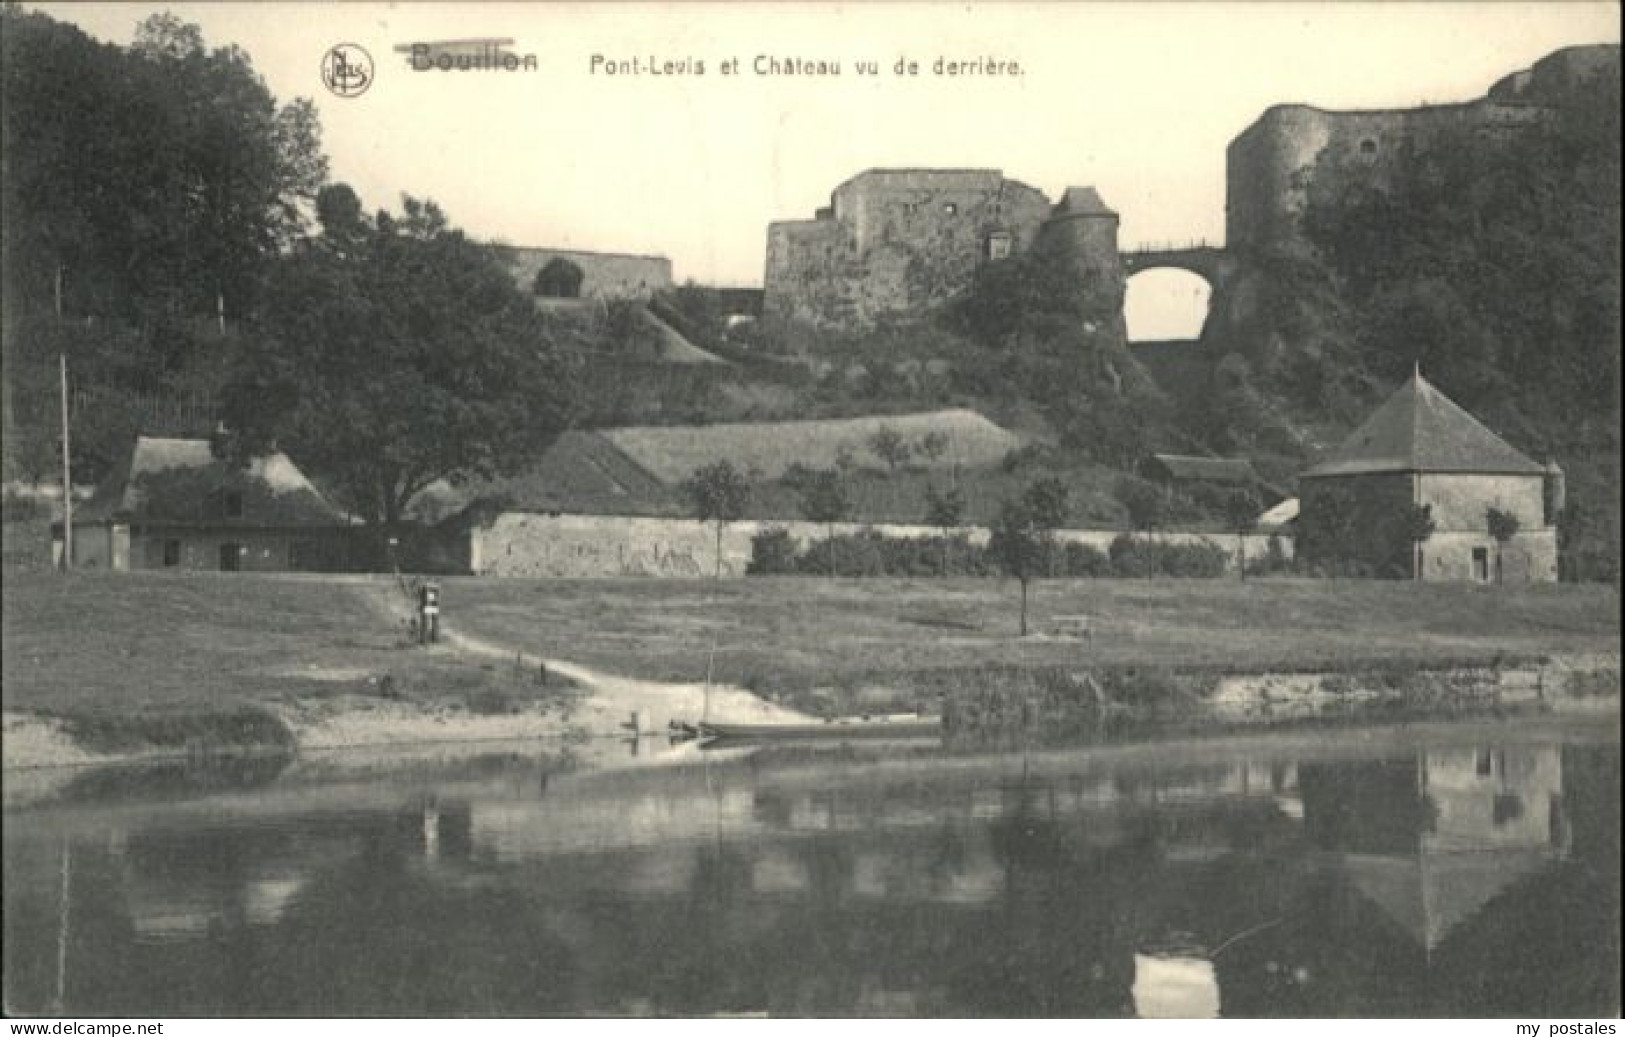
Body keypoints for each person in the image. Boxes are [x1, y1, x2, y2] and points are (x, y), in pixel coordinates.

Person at [418, 580, 440, 644]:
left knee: (425, 623)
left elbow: (423, 599)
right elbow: (436, 598)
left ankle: (424, 640)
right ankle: (435, 638)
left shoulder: (424, 588)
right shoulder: (435, 587)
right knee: (434, 623)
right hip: (434, 605)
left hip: (428, 604)